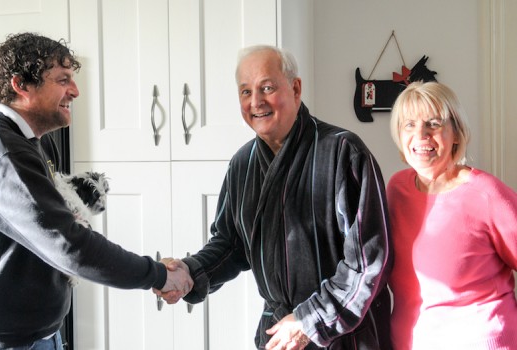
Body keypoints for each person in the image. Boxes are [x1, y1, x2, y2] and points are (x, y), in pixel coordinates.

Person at [0, 32, 192, 349]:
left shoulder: (29, 142)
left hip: (34, 336)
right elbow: (68, 246)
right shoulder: (5, 153)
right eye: (62, 80)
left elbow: (41, 219)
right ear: (22, 85)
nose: (75, 91)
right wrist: (158, 275)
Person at [157, 45, 393, 349]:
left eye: (267, 88)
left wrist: (310, 320)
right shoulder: (242, 164)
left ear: (295, 89)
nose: (256, 102)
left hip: (344, 335)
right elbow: (230, 245)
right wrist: (188, 273)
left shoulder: (343, 152)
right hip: (279, 332)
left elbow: (368, 262)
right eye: (245, 92)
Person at [387, 81, 517, 349]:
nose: (421, 135)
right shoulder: (396, 189)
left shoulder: (485, 194)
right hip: (410, 342)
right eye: (409, 125)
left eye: (433, 124)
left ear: (456, 133)